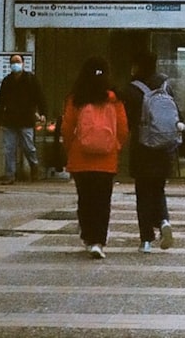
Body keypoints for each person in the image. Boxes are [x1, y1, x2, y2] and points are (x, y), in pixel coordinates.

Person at [61, 56, 128, 260]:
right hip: (106, 161)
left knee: (85, 200)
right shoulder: (114, 99)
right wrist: (115, 146)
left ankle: (88, 238)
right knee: (102, 201)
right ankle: (99, 240)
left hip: (81, 160)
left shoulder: (76, 98)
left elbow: (66, 128)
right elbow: (123, 129)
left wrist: (71, 148)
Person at [124, 50, 184, 254]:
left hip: (142, 148)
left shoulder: (133, 89)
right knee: (158, 189)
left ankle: (146, 240)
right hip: (164, 147)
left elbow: (127, 122)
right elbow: (178, 115)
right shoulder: (166, 86)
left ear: (138, 66)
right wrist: (182, 144)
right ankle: (164, 221)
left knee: (143, 193)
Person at [0, 54, 47, 185]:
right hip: (10, 120)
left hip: (26, 119)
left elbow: (40, 97)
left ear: (23, 63)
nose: (15, 64)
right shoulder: (7, 81)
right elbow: (1, 101)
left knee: (28, 146)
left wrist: (43, 113)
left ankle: (34, 166)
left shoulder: (30, 79)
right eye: (13, 62)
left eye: (17, 61)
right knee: (9, 149)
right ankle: (10, 175)